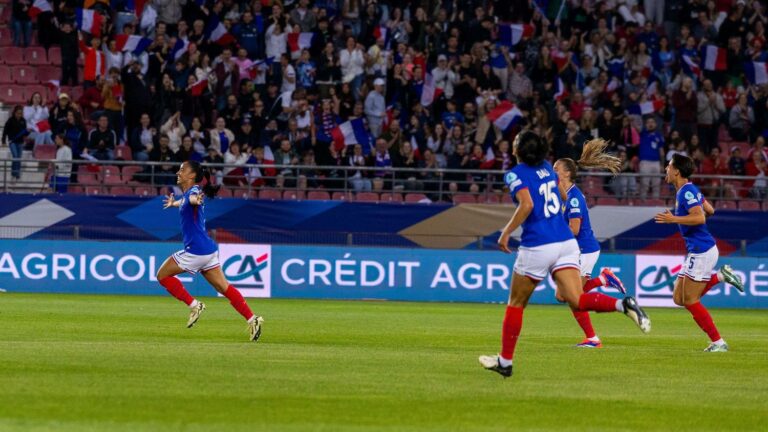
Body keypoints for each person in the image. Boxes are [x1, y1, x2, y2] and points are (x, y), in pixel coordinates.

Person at [479, 131, 651, 378]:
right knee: (576, 299)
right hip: (566, 242)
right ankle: (621, 304)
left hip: (538, 244)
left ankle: (505, 363)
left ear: (518, 151)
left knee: (516, 304)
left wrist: (506, 232)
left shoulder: (515, 174)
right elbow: (561, 195)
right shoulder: (548, 168)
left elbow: (526, 205)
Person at [158, 161, 264, 341]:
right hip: (208, 251)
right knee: (224, 288)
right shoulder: (187, 194)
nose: (178, 172)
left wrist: (194, 200)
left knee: (162, 275)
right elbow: (185, 201)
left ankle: (194, 305)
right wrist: (174, 203)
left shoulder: (193, 192)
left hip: (196, 251)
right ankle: (253, 319)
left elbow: (192, 199)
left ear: (192, 176)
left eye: (182, 170)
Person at [654, 155, 745, 352]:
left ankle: (718, 342)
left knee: (691, 300)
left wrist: (674, 219)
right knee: (679, 298)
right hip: (697, 251)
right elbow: (709, 210)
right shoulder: (688, 190)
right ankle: (721, 276)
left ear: (677, 171)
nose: (666, 169)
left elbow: (701, 217)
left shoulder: (686, 192)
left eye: (669, 166)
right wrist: (693, 215)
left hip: (702, 252)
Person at [553, 139, 630, 348]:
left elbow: (574, 230)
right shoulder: (564, 196)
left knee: (566, 295)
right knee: (567, 295)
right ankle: (603, 280)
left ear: (567, 173)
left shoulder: (574, 198)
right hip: (579, 250)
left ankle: (593, 338)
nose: (553, 172)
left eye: (555, 169)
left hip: (583, 250)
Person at [1, 105, 28, 183]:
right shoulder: (10, 120)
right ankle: (14, 174)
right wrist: (3, 141)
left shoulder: (23, 121)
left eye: (21, 113)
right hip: (12, 142)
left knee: (18, 158)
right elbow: (5, 131)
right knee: (15, 157)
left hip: (20, 142)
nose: (19, 115)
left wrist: (27, 132)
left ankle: (17, 175)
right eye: (18, 113)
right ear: (14, 113)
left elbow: (25, 133)